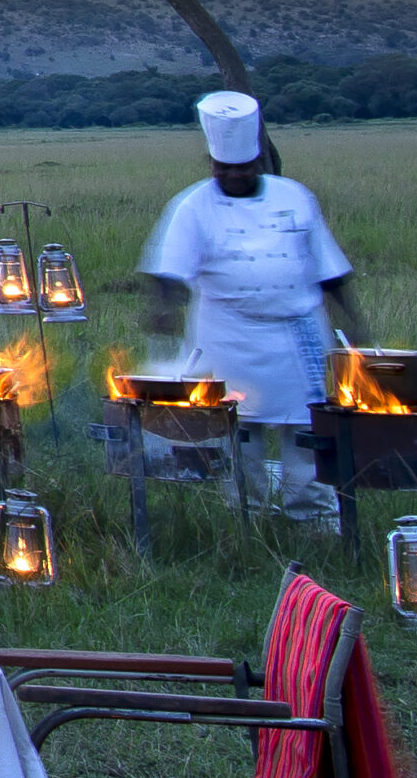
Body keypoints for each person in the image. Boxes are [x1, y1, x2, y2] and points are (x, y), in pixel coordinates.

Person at [140, 89, 360, 530]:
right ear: (212, 164)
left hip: (298, 336)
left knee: (307, 435)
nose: (234, 175)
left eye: (242, 167)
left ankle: (315, 520)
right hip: (228, 335)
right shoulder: (192, 206)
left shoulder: (295, 198)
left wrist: (355, 322)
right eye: (224, 168)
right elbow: (170, 272)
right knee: (240, 437)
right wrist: (163, 310)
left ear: (258, 162)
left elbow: (329, 269)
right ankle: (249, 523)